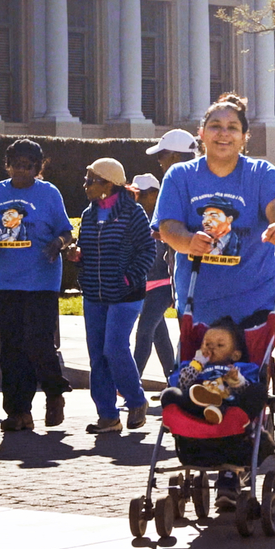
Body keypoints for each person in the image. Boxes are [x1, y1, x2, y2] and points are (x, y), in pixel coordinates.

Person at [155, 94, 275, 508]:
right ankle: (199, 450)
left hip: (253, 296)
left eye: (232, 127)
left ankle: (235, 468)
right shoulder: (181, 176)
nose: (223, 133)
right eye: (215, 126)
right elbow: (168, 227)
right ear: (201, 134)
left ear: (245, 137)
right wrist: (187, 241)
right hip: (202, 300)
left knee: (248, 375)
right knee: (195, 376)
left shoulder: (260, 173)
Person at [0, 139, 73, 432]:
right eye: (16, 164)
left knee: (38, 341)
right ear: (7, 165)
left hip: (42, 281)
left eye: (29, 165)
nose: (22, 170)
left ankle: (54, 391)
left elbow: (66, 232)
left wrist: (57, 245)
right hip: (7, 281)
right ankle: (18, 412)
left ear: (38, 167)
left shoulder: (49, 193)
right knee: (12, 348)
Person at [71, 158, 155, 434]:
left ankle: (136, 400)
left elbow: (147, 251)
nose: (85, 185)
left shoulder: (133, 212)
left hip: (125, 294)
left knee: (114, 348)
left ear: (108, 184)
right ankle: (108, 416)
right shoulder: (89, 214)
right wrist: (77, 257)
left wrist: (128, 277)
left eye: (90, 180)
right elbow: (85, 249)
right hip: (94, 294)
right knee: (97, 355)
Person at [135, 130, 199, 382]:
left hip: (187, 279)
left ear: (174, 156)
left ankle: (183, 389)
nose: (160, 163)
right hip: (190, 278)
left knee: (191, 336)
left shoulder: (171, 186)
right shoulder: (207, 179)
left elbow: (157, 232)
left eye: (162, 157)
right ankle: (181, 384)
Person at [161, 317, 264, 426]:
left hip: (229, 405)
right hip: (195, 406)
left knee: (258, 390)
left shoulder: (241, 368)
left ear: (235, 355)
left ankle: (219, 409)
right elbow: (181, 385)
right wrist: (197, 364)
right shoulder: (192, 365)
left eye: (220, 345)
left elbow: (247, 390)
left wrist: (237, 381)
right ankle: (208, 405)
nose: (211, 348)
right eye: (207, 344)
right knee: (169, 394)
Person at [130, 173, 175, 385]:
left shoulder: (164, 220)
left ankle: (132, 380)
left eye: (144, 193)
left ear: (156, 194)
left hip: (163, 285)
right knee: (159, 334)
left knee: (145, 329)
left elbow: (174, 253)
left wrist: (176, 287)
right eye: (136, 192)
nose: (138, 197)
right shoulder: (135, 218)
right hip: (142, 286)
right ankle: (173, 379)